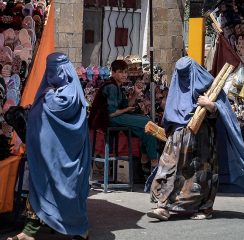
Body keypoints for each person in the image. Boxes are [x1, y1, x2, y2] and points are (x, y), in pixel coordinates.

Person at [146, 57, 244, 221]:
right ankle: (163, 206)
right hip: (177, 138)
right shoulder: (177, 85)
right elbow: (170, 112)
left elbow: (224, 111)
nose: (184, 78)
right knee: (168, 169)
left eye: (186, 74)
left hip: (201, 139)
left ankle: (204, 208)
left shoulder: (209, 84)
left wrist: (210, 105)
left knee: (199, 175)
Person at [8, 53, 91, 240]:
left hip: (68, 157)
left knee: (68, 191)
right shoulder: (54, 95)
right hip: (47, 156)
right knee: (39, 187)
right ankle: (29, 231)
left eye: (53, 70)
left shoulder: (58, 97)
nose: (50, 74)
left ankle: (78, 230)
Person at [89, 59, 158, 174]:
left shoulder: (118, 87)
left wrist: (135, 93)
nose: (124, 75)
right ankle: (153, 160)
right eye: (121, 72)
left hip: (115, 117)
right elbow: (112, 113)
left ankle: (146, 157)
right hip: (108, 120)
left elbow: (128, 105)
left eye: (126, 72)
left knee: (147, 124)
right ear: (113, 72)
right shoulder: (111, 87)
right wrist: (126, 109)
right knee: (147, 123)